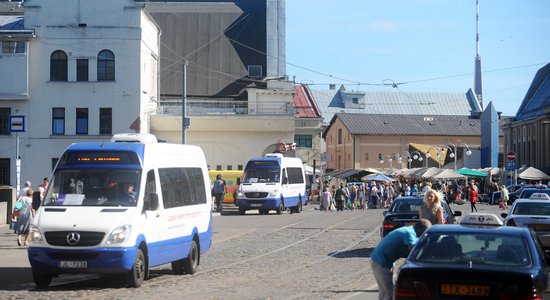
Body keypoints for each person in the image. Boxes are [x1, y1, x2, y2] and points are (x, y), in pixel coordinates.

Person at [371, 218, 432, 300]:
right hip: (381, 262)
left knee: (384, 293)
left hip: (380, 260)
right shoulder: (409, 233)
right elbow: (413, 251)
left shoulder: (409, 230)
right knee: (389, 294)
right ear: (422, 231)